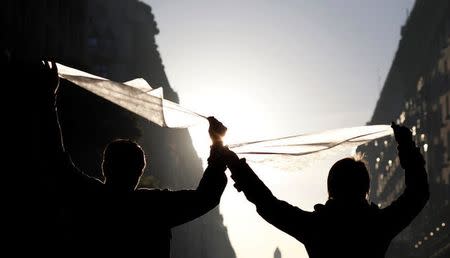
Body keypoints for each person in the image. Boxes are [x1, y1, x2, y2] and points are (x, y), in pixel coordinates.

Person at [38, 61, 228, 257]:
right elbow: (205, 197)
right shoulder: (153, 207)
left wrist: (47, 98)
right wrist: (217, 144)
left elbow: (55, 158)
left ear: (105, 166)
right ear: (139, 171)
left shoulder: (88, 196)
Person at [224, 123, 429, 258]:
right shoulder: (379, 225)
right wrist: (406, 145)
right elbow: (418, 194)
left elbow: (267, 203)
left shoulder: (314, 226)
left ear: (330, 187)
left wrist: (231, 160)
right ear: (366, 188)